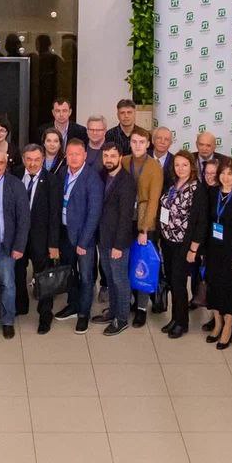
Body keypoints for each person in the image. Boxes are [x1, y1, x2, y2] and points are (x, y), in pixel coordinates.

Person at [51, 139, 104, 334]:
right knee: (70, 272)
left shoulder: (92, 178)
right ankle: (73, 305)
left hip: (83, 238)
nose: (73, 158)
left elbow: (94, 213)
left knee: (86, 276)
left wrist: (84, 241)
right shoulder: (63, 173)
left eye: (77, 154)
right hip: (65, 233)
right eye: (70, 154)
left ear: (85, 156)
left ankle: (83, 314)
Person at [202, 162, 232, 349]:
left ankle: (228, 327)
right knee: (214, 286)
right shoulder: (213, 192)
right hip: (213, 249)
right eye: (223, 173)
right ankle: (217, 323)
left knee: (231, 289)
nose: (226, 177)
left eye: (230, 174)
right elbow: (206, 221)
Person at [158, 150, 207, 339]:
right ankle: (174, 318)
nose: (180, 168)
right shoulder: (173, 184)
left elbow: (200, 222)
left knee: (179, 283)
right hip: (168, 241)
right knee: (171, 280)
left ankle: (182, 323)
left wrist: (193, 248)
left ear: (191, 166)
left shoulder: (197, 188)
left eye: (184, 165)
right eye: (177, 164)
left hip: (183, 245)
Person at [0, 149, 29, 339]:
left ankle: (8, 321)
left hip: (5, 244)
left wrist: (19, 246)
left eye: (0, 163)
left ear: (6, 164)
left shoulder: (15, 185)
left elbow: (24, 218)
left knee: (7, 283)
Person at [92, 143, 137, 335]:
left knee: (120, 280)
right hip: (103, 238)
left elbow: (126, 217)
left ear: (120, 157)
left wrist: (119, 245)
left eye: (112, 156)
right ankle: (113, 312)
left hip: (118, 242)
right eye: (106, 156)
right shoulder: (102, 175)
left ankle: (122, 318)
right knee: (109, 278)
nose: (109, 159)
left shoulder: (127, 181)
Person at [121, 127, 164, 327]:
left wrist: (145, 229)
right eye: (134, 141)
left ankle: (141, 308)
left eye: (141, 142)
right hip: (125, 220)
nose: (137, 145)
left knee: (142, 265)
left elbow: (154, 200)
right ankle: (130, 300)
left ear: (148, 144)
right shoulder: (124, 161)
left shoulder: (154, 167)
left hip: (145, 222)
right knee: (128, 262)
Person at [14, 144, 56, 332]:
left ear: (43, 159)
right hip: (18, 238)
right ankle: (21, 305)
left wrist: (53, 244)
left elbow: (54, 215)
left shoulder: (52, 180)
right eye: (29, 159)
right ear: (23, 159)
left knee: (44, 277)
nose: (32, 164)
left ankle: (45, 315)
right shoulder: (14, 175)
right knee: (18, 272)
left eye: (37, 159)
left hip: (41, 239)